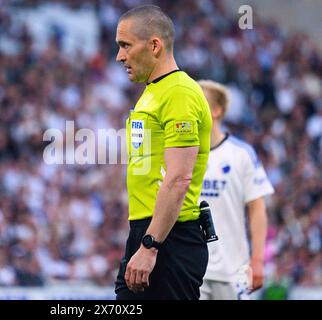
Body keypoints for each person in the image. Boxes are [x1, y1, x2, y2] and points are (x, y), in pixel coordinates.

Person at [114, 5, 212, 300]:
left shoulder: (178, 93)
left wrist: (150, 245)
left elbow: (179, 177)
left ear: (154, 45)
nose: (120, 56)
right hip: (149, 233)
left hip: (169, 239)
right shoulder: (154, 92)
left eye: (125, 45)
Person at [197, 80, 275, 300]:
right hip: (191, 269)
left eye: (199, 102)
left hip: (233, 269)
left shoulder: (241, 154)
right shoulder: (180, 154)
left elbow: (257, 209)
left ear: (216, 110)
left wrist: (257, 260)